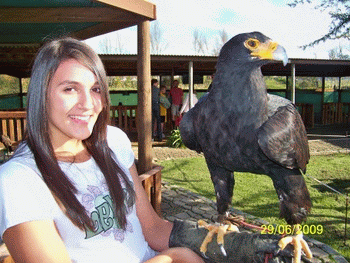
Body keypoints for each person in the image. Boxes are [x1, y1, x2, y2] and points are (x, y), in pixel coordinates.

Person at [0, 37, 204, 263]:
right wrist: (173, 257)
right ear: (41, 95)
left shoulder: (114, 141)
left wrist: (210, 240)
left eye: (96, 89)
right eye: (70, 89)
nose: (88, 104)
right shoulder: (18, 180)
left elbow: (153, 229)